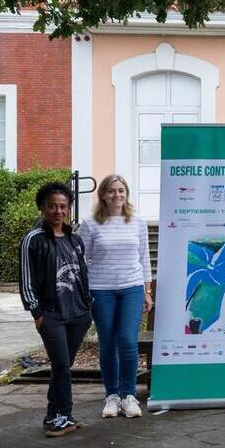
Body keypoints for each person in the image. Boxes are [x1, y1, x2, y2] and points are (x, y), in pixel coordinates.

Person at [19, 182, 93, 437]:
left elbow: (83, 274)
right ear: (42, 207)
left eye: (63, 206)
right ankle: (62, 416)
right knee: (61, 365)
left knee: (64, 365)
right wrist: (36, 313)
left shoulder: (75, 239)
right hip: (52, 315)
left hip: (78, 314)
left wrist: (88, 306)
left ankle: (55, 413)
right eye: (52, 206)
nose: (58, 211)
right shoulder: (33, 240)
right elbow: (26, 279)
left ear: (69, 209)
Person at [78, 174, 152, 420]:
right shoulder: (90, 224)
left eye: (121, 190)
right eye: (111, 191)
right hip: (101, 289)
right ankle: (112, 395)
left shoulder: (137, 223)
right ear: (103, 195)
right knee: (108, 342)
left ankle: (129, 395)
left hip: (131, 288)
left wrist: (147, 291)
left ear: (126, 194)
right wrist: (84, 291)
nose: (116, 195)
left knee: (128, 341)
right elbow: (81, 261)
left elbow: (144, 259)